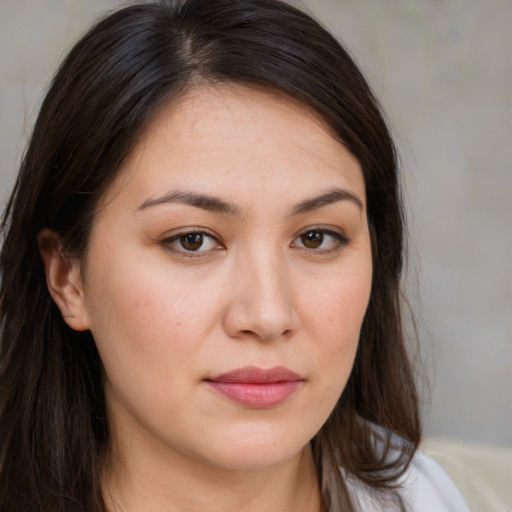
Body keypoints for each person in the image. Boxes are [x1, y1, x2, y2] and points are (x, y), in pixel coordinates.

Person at [0, 1, 470, 511]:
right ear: (68, 277)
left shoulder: (422, 497)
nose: (268, 315)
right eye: (192, 240)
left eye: (316, 237)